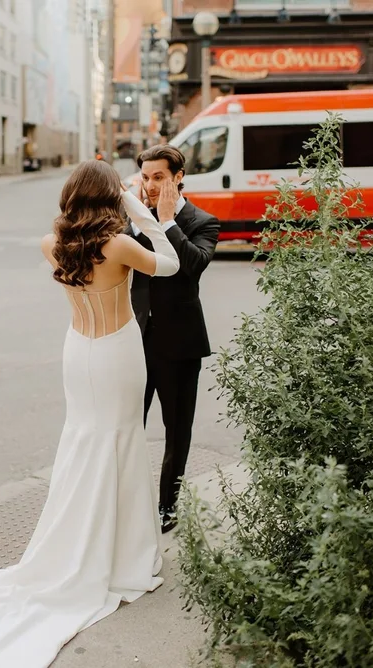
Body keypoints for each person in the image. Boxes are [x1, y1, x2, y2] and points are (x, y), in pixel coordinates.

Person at [0, 160, 181, 667]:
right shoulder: (119, 246)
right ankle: (123, 556)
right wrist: (146, 211)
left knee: (84, 440)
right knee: (122, 440)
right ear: (111, 198)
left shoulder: (52, 243)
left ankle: (76, 545)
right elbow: (170, 263)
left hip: (78, 351)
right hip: (117, 353)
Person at [127, 144, 220, 533]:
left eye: (159, 177)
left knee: (176, 432)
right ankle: (129, 504)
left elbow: (192, 266)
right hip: (134, 341)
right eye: (146, 177)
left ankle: (168, 505)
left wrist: (167, 221)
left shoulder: (202, 221)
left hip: (180, 345)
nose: (150, 185)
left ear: (178, 177)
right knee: (127, 426)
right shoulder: (133, 217)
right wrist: (139, 217)